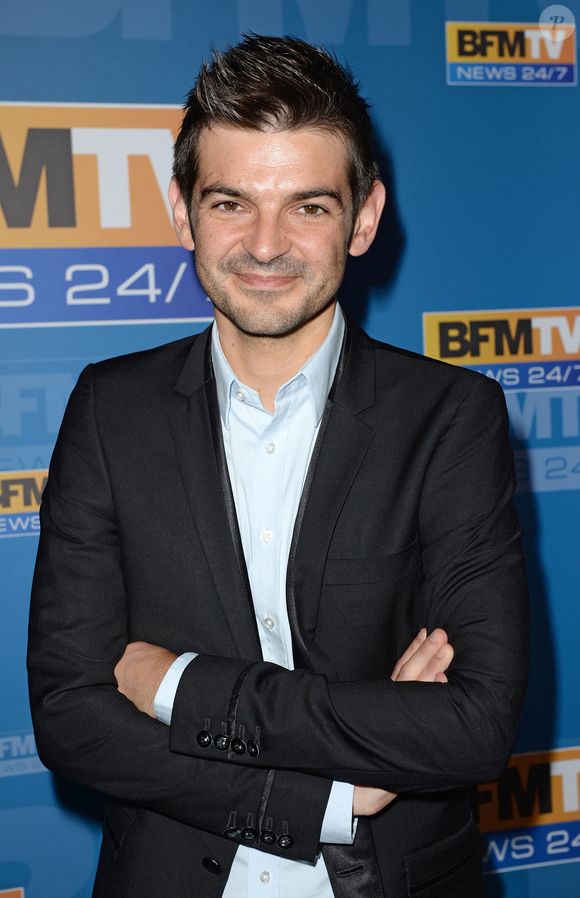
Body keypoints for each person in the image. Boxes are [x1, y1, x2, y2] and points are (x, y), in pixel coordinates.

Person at [27, 34, 529, 898]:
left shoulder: (451, 416)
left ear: (364, 218)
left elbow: (473, 726)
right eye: (231, 203)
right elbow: (73, 717)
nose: (266, 245)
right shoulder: (111, 410)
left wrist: (175, 683)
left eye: (309, 207)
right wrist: (325, 795)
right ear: (182, 212)